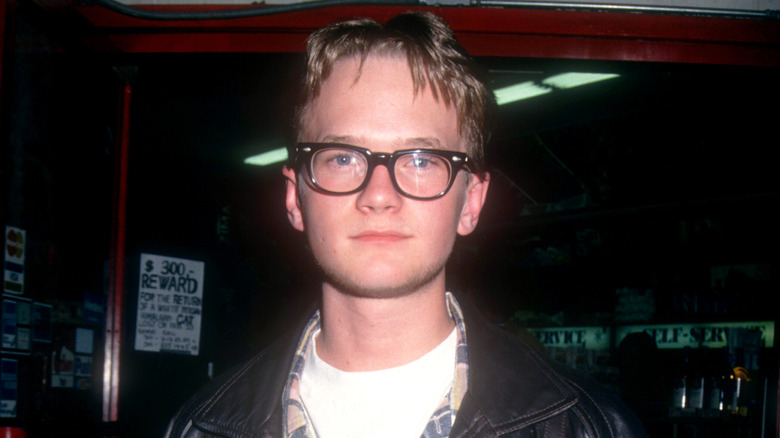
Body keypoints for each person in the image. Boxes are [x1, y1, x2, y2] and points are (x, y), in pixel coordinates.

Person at [165, 11, 648, 438]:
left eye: (421, 160)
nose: (379, 195)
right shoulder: (197, 426)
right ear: (295, 196)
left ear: (471, 202)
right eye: (342, 158)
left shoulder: (590, 427)